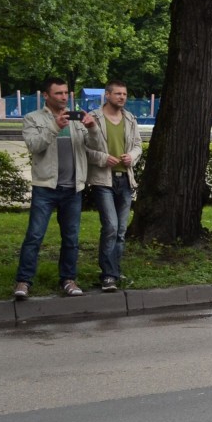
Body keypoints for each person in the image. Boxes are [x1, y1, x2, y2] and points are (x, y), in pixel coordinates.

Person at [13, 77, 108, 299]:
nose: (64, 97)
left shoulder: (76, 120)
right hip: (45, 187)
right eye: (58, 93)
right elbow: (35, 146)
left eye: (66, 93)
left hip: (72, 189)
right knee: (35, 236)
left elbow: (95, 146)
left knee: (71, 238)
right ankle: (23, 282)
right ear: (46, 95)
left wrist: (93, 128)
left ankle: (68, 279)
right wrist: (55, 126)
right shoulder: (32, 118)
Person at [87, 80, 142, 292]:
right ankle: (108, 275)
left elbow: (138, 145)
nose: (122, 97)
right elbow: (84, 148)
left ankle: (114, 271)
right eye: (118, 94)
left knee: (120, 230)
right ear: (107, 95)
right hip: (103, 180)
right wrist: (102, 158)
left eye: (125, 94)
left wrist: (132, 157)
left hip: (124, 179)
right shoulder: (94, 118)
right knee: (110, 226)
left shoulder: (130, 118)